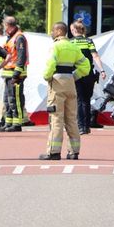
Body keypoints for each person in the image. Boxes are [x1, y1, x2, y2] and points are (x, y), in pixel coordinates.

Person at [40, 21, 90, 160]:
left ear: (58, 32)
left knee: (56, 118)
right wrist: (74, 76)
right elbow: (86, 66)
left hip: (57, 83)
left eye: (52, 31)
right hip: (70, 83)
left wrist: (47, 76)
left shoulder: (56, 46)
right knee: (71, 119)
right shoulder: (73, 47)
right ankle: (74, 151)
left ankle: (54, 151)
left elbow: (51, 64)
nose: (51, 33)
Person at [70, 20, 105, 135]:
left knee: (79, 100)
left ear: (74, 30)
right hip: (89, 73)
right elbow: (95, 56)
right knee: (87, 100)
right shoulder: (89, 41)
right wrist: (102, 70)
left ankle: (81, 127)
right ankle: (87, 126)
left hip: (77, 73)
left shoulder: (71, 42)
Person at [0, 15, 30, 131]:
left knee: (15, 99)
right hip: (8, 72)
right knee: (7, 100)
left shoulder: (19, 37)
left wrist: (16, 73)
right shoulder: (11, 37)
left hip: (15, 74)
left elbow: (21, 56)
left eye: (4, 26)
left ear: (8, 26)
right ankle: (9, 122)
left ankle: (17, 124)